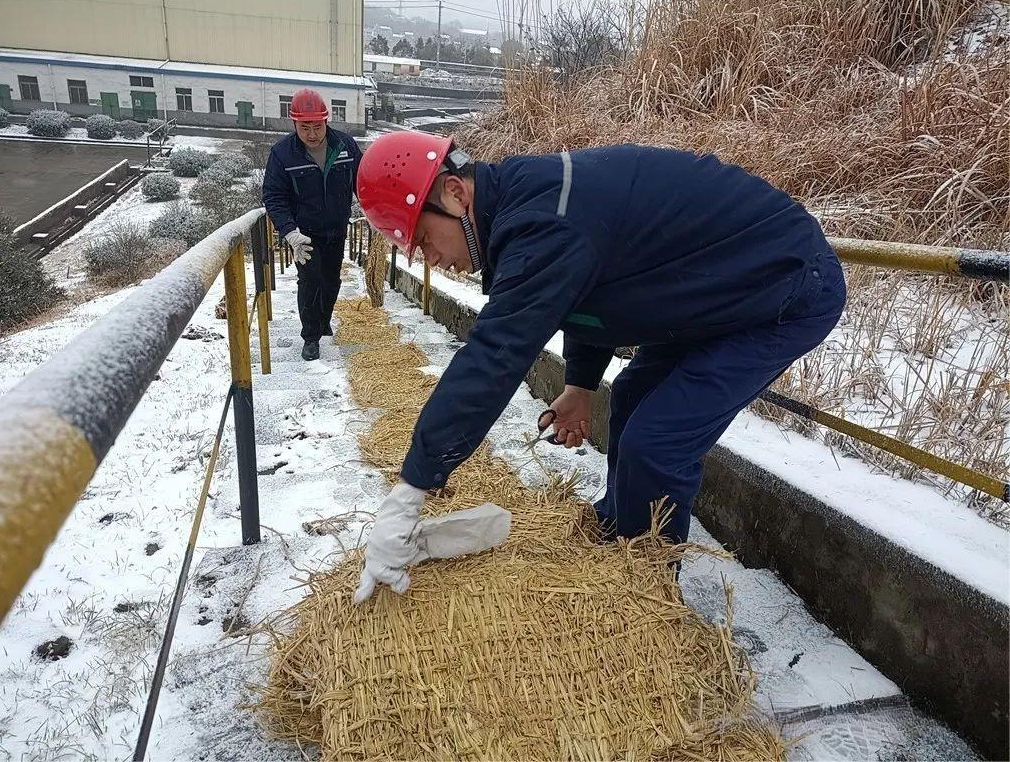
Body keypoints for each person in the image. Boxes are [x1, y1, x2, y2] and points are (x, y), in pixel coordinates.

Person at [352, 131, 846, 602]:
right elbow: (592, 292)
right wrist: (582, 385)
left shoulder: (542, 222)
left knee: (656, 441)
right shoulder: (531, 204)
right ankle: (618, 532)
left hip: (784, 288)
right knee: (630, 398)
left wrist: (412, 488)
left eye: (425, 239)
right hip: (712, 290)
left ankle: (647, 593)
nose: (432, 260)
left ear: (456, 194)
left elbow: (493, 358)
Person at [263, 88, 362, 361]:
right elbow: (273, 196)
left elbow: (363, 183)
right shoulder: (283, 154)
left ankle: (323, 320)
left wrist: (377, 213)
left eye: (317, 126)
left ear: (326, 121)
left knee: (331, 281)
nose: (312, 134)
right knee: (309, 281)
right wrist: (289, 232)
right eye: (304, 127)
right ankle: (311, 337)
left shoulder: (346, 147)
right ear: (293, 123)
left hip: (336, 230)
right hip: (304, 235)